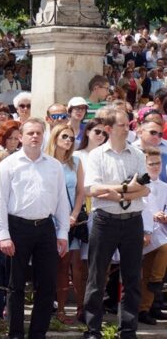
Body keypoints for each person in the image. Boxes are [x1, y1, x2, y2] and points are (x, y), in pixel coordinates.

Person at [0, 118, 70, 339]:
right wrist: (4, 234)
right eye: (30, 133)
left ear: (44, 135)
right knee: (15, 285)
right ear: (21, 137)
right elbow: (0, 200)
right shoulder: (8, 164)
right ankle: (15, 333)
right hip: (17, 228)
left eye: (38, 133)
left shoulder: (54, 166)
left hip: (45, 228)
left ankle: (38, 333)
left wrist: (63, 233)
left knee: (46, 285)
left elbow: (61, 202)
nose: (35, 137)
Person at [83, 109, 151, 339]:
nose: (128, 127)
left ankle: (128, 329)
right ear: (110, 129)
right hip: (105, 222)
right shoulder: (97, 156)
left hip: (133, 221)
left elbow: (146, 188)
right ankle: (93, 329)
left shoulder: (137, 154)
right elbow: (93, 190)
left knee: (132, 278)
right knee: (96, 276)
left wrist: (117, 193)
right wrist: (126, 188)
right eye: (122, 124)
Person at [44, 123, 87, 325]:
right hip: (47, 219)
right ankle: (46, 307)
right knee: (46, 266)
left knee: (67, 265)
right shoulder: (44, 161)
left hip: (70, 220)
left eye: (71, 138)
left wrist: (74, 214)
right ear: (55, 138)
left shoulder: (76, 162)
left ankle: (63, 309)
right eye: (64, 137)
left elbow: (80, 192)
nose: (69, 141)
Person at [138, 147, 167, 324]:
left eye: (158, 163)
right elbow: (141, 208)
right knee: (163, 249)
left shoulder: (165, 187)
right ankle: (156, 282)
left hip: (160, 230)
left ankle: (144, 309)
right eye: (151, 164)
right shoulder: (141, 185)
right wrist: (151, 218)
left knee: (150, 269)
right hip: (143, 231)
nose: (155, 166)